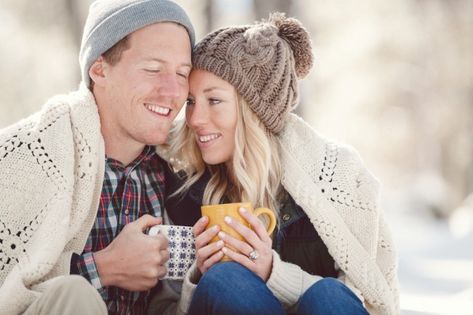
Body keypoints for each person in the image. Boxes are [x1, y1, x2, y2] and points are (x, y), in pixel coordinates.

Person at [164, 13, 400, 315]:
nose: (195, 119)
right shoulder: (184, 183)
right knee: (226, 280)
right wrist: (197, 275)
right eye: (191, 101)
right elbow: (166, 307)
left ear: (254, 111)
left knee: (328, 294)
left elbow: (362, 299)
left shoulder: (336, 177)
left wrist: (272, 274)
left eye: (214, 100)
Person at [0, 0, 195, 314]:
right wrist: (104, 268)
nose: (173, 92)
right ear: (99, 69)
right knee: (73, 293)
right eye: (153, 69)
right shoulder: (23, 158)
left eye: (182, 73)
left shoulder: (176, 169)